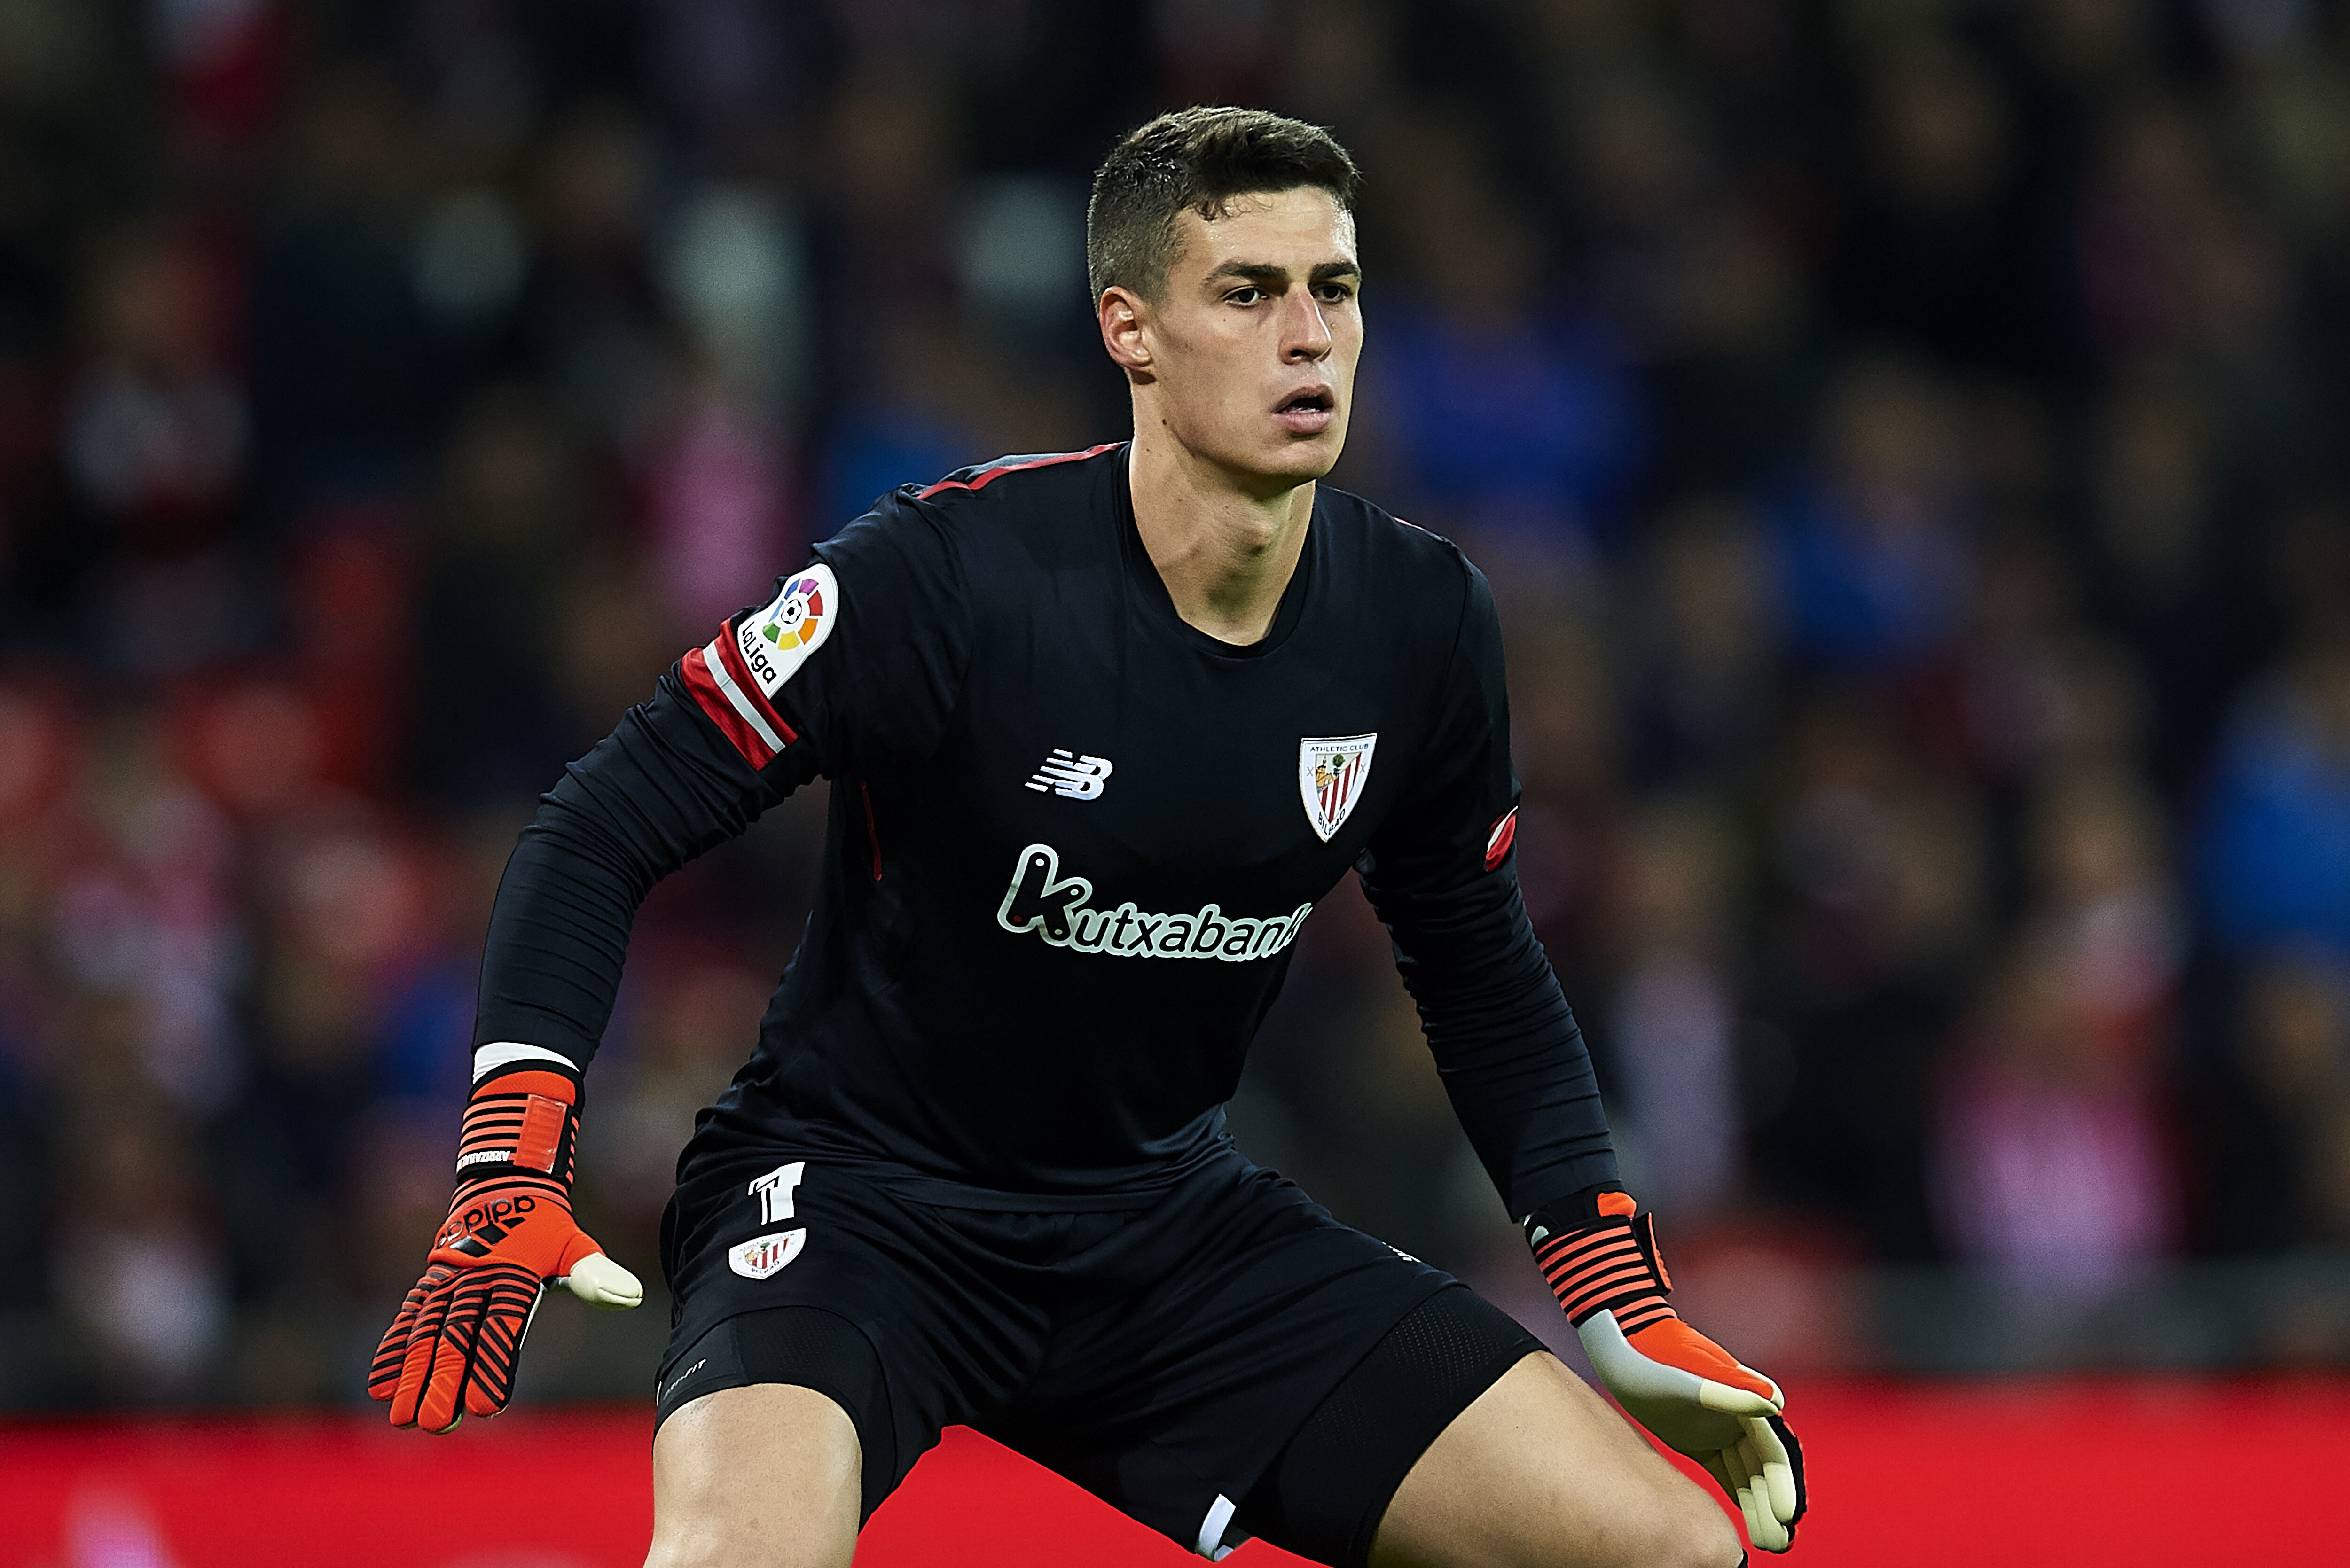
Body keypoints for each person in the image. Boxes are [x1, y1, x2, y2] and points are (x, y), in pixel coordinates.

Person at [370, 108, 1805, 1568]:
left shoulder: (1422, 624)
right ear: (1131, 330)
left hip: (1161, 1218)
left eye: (1336, 288)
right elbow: (600, 821)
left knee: (1665, 1551)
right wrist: (510, 1155)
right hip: (858, 1200)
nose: (1308, 335)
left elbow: (1480, 966)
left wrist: (1616, 1296)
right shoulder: (948, 577)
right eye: (1248, 291)